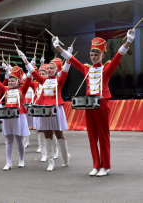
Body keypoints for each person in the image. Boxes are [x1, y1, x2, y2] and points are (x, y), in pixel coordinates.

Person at [54, 29, 135, 176]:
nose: (93, 57)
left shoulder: (107, 68)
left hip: (102, 103)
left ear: (102, 55)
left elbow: (118, 57)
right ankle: (96, 165)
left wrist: (128, 41)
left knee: (103, 135)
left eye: (96, 54)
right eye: (91, 54)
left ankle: (106, 166)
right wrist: (59, 48)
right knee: (91, 136)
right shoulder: (86, 69)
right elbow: (72, 60)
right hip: (88, 104)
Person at [18, 47, 72, 171]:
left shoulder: (60, 80)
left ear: (57, 69)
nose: (49, 70)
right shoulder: (43, 81)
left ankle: (65, 158)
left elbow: (67, 67)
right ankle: (50, 161)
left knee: (59, 135)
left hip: (56, 109)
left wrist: (68, 55)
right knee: (47, 135)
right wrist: (24, 59)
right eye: (47, 68)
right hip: (45, 110)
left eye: (51, 68)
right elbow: (33, 72)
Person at [0, 64, 31, 170]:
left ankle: (21, 160)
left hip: (19, 116)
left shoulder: (22, 90)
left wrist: (29, 65)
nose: (10, 83)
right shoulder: (5, 90)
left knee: (19, 140)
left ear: (18, 82)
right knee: (9, 140)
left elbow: (29, 79)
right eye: (9, 81)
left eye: (13, 81)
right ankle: (8, 162)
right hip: (7, 116)